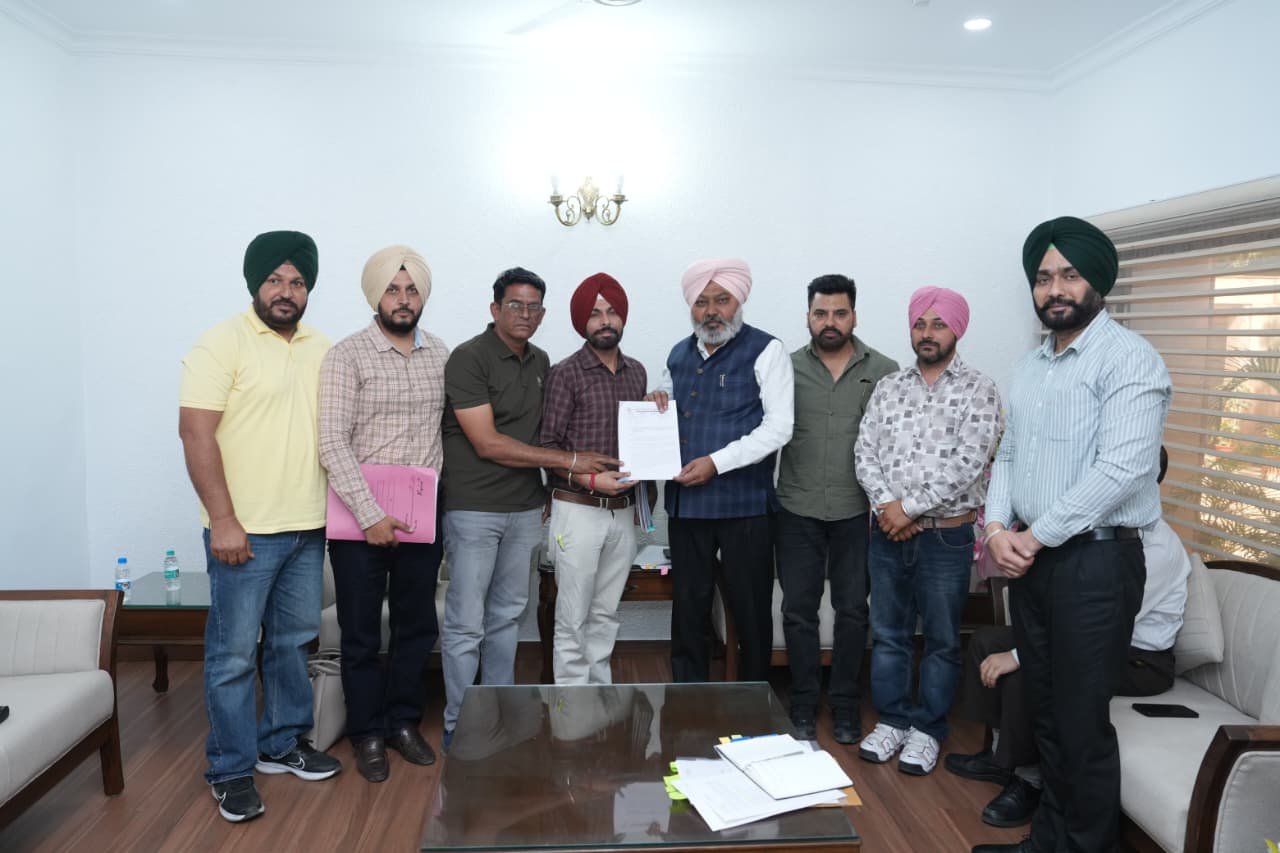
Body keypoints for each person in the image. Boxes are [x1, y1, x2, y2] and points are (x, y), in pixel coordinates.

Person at [977, 216, 1172, 853]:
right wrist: (997, 527)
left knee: (1082, 724)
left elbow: (1123, 470)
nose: (1055, 289)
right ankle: (1049, 843)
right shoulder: (1030, 367)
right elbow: (1008, 454)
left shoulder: (1130, 358)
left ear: (1097, 282)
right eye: (1043, 278)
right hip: (1036, 560)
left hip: (1097, 563)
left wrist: (1033, 538)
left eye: (1069, 275)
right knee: (1047, 714)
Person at [179, 230, 340, 823]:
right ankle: (230, 768)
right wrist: (223, 520)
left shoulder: (323, 346)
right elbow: (195, 432)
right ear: (255, 283)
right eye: (274, 279)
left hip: (308, 526)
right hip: (243, 531)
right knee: (232, 656)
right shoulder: (221, 342)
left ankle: (281, 743)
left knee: (293, 644)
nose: (286, 291)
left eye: (297, 281)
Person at [950, 452, 1191, 830]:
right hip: (1088, 639)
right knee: (986, 641)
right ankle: (998, 755)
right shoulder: (1094, 532)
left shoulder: (1152, 546)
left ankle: (1028, 781)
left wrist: (1020, 655)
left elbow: (1107, 626)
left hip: (1141, 660)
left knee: (1028, 671)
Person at [440, 268, 617, 747]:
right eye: (515, 305)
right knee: (466, 623)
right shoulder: (469, 358)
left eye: (533, 306)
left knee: (507, 617)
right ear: (495, 309)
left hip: (525, 509)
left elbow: (560, 425)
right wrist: (571, 462)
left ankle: (500, 712)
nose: (524, 314)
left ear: (543, 314)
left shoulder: (541, 362)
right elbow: (487, 442)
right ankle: (460, 722)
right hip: (474, 508)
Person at [854, 286, 1002, 776]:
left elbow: (969, 462)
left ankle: (928, 730)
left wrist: (908, 510)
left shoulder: (979, 389)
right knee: (888, 634)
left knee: (940, 639)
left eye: (938, 324)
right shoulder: (889, 387)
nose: (927, 333)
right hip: (887, 533)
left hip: (946, 537)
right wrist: (886, 507)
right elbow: (864, 451)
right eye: (920, 324)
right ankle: (893, 720)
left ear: (957, 329)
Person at [318, 245, 449, 782]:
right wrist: (371, 514)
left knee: (416, 627)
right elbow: (331, 442)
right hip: (359, 522)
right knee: (361, 634)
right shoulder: (346, 356)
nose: (403, 299)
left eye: (411, 289)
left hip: (420, 519)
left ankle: (402, 722)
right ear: (375, 295)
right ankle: (367, 733)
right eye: (393, 290)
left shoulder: (442, 355)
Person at [651, 258, 794, 684]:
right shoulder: (677, 354)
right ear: (691, 307)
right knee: (688, 611)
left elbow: (780, 428)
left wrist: (716, 463)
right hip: (687, 507)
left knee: (750, 612)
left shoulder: (767, 350)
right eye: (701, 302)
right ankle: (687, 700)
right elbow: (667, 412)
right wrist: (654, 401)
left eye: (722, 300)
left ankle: (754, 700)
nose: (711, 311)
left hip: (745, 508)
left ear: (739, 302)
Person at [775, 274, 897, 743]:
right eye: (821, 313)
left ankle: (846, 705)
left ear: (854, 316)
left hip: (856, 512)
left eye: (839, 313)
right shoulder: (784, 369)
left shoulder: (884, 370)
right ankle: (803, 703)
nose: (830, 322)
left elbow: (894, 443)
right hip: (797, 507)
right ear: (807, 316)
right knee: (798, 611)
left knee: (852, 612)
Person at [539, 273, 648, 685]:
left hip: (623, 513)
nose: (605, 321)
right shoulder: (565, 373)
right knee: (572, 617)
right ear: (582, 323)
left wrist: (656, 405)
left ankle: (599, 698)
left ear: (623, 318)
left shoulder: (637, 373)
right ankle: (571, 711)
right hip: (577, 510)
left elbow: (641, 438)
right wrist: (589, 480)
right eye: (595, 313)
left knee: (606, 614)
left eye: (612, 312)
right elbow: (547, 446)